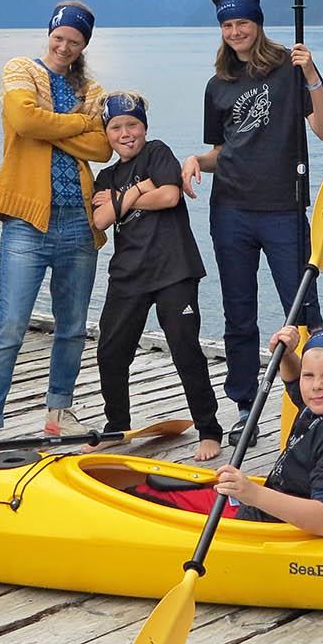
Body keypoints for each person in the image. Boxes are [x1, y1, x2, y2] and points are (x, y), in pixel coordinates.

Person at [181, 0, 323, 445]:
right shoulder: (218, 85)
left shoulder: (292, 67)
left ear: (258, 23)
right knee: (238, 313)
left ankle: (319, 403)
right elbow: (221, 152)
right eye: (227, 26)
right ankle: (245, 406)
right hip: (230, 210)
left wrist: (310, 75)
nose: (234, 32)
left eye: (241, 23)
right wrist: (195, 160)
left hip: (283, 210)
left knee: (303, 309)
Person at [0, 2, 110, 442]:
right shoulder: (20, 70)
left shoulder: (92, 87)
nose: (65, 46)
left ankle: (59, 413)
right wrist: (77, 125)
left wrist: (64, 129)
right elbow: (25, 121)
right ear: (49, 34)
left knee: (71, 327)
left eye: (75, 40)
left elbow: (103, 147)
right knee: (10, 324)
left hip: (78, 220)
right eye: (59, 37)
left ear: (84, 43)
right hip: (28, 219)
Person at [129, 325, 323, 538]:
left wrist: (253, 494)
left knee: (140, 498)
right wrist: (287, 354)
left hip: (267, 521)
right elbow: (295, 384)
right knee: (152, 487)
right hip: (278, 498)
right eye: (309, 374)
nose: (316, 386)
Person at [89, 91, 223, 461]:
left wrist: (123, 197)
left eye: (133, 125)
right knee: (110, 352)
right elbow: (100, 220)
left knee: (185, 349)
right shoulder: (106, 175)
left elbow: (169, 198)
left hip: (173, 270)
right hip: (128, 275)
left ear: (144, 129)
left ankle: (209, 429)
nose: (126, 133)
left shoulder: (157, 152)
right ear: (108, 133)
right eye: (116, 127)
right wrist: (138, 188)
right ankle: (116, 427)